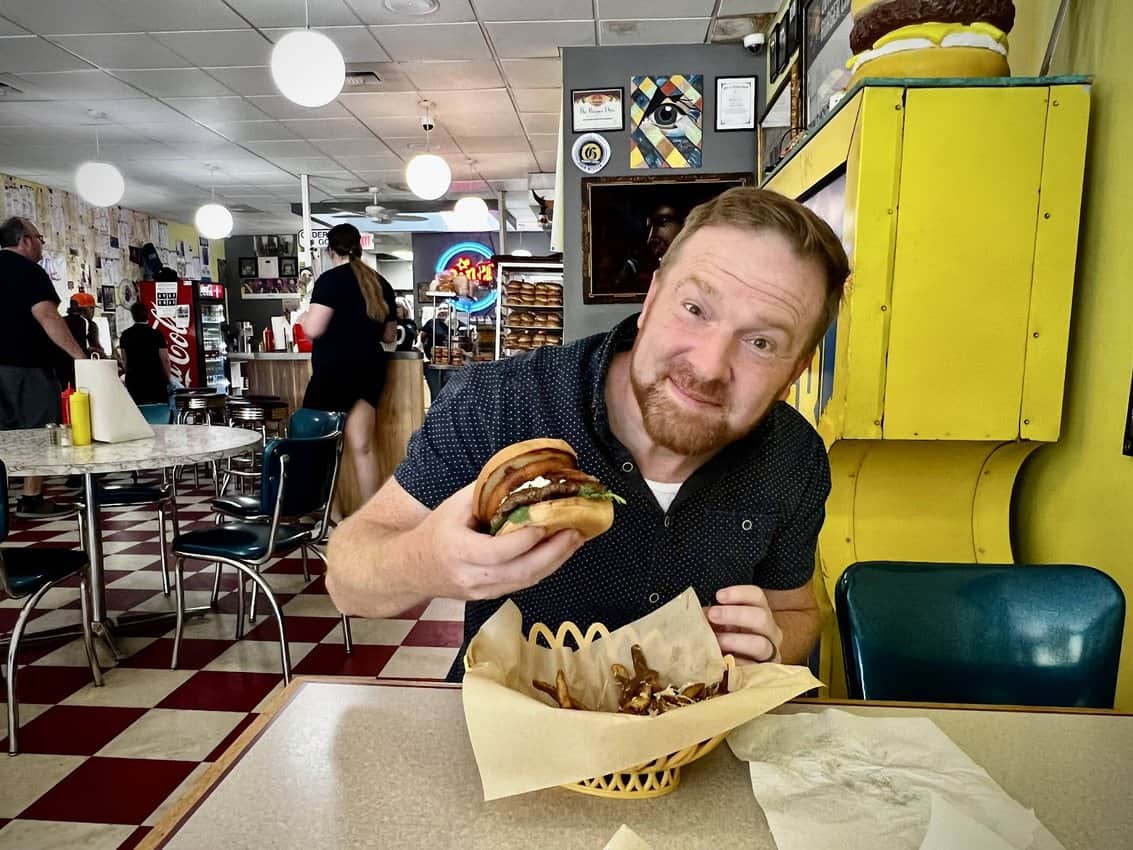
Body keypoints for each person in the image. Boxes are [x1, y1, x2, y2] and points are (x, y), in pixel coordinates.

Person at [325, 187, 851, 681]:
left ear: (796, 371)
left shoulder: (795, 457)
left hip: (689, 754)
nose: (711, 366)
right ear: (651, 300)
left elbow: (796, 608)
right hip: (507, 743)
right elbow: (345, 580)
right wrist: (429, 562)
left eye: (761, 342)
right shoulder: (499, 402)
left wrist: (773, 644)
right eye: (694, 310)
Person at [294, 223, 397, 502]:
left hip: (335, 369)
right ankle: (369, 520)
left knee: (321, 446)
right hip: (370, 368)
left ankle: (330, 515)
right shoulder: (380, 283)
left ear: (330, 250)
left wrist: (302, 319)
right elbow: (389, 335)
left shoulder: (329, 281)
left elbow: (314, 329)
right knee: (363, 447)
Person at [0, 216, 87, 518]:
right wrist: (80, 356)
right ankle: (31, 498)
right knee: (38, 430)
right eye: (40, 238)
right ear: (25, 240)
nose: (41, 245)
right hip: (26, 365)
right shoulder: (29, 271)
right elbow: (48, 317)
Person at [118, 301, 171, 404]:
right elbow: (165, 359)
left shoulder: (125, 335)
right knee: (158, 412)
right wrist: (168, 379)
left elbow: (125, 360)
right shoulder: (156, 334)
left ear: (133, 316)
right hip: (155, 380)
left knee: (138, 413)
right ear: (147, 314)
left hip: (134, 381)